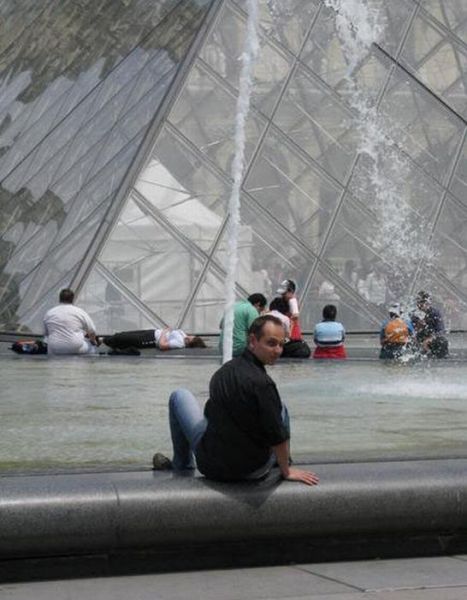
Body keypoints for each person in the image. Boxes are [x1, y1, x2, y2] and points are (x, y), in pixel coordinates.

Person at [153, 315, 319, 486]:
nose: (278, 350)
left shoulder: (223, 372)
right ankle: (283, 463)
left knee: (179, 396)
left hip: (210, 465)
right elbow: (278, 435)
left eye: (281, 344)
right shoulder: (264, 385)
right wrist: (287, 472)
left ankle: (182, 466)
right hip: (251, 471)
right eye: (271, 343)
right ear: (253, 341)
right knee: (281, 409)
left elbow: (209, 415)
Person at [43, 288, 98, 355]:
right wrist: (93, 341)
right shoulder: (79, 312)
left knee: (50, 347)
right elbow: (92, 331)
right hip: (75, 347)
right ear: (72, 299)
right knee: (92, 347)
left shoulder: (49, 313)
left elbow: (46, 333)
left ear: (59, 299)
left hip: (55, 348)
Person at [219, 293, 267, 357]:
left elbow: (221, 326)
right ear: (258, 304)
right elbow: (256, 331)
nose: (259, 313)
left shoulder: (232, 306)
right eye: (260, 310)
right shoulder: (251, 309)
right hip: (240, 348)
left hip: (224, 348)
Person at [411, 291, 449, 358]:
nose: (420, 305)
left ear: (428, 303)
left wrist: (430, 339)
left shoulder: (435, 313)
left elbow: (440, 330)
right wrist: (418, 326)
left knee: (442, 341)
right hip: (420, 338)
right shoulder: (414, 314)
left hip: (432, 338)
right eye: (418, 302)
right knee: (413, 342)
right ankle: (420, 354)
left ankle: (440, 357)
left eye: (422, 302)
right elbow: (412, 330)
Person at [103, 328, 206, 351]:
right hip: (151, 332)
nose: (187, 337)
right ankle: (104, 340)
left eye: (189, 340)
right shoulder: (183, 335)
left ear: (189, 344)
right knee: (125, 334)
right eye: (190, 336)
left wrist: (165, 332)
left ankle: (102, 341)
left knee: (124, 338)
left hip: (151, 339)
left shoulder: (179, 343)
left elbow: (162, 345)